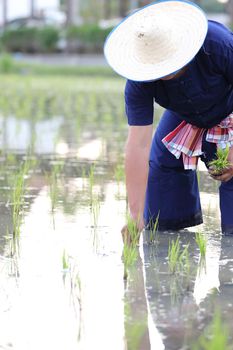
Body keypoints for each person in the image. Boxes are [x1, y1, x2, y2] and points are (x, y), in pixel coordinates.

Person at [104, 0, 233, 236]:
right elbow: (138, 144)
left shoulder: (217, 43)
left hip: (228, 108)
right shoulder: (139, 80)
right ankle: (169, 240)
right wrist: (135, 214)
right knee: (161, 164)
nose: (164, 72)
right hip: (185, 115)